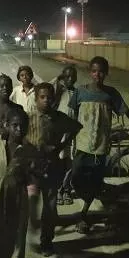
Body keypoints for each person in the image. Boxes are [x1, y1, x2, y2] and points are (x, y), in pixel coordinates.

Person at [69, 56, 129, 234]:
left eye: (101, 72)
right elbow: (72, 117)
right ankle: (105, 195)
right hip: (82, 145)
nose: (98, 75)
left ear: (106, 73)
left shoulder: (111, 94)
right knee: (76, 178)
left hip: (100, 147)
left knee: (94, 181)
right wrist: (68, 139)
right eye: (94, 71)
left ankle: (84, 215)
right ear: (90, 72)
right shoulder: (80, 92)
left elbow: (128, 112)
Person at [0, 107, 42, 258]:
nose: (19, 129)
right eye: (15, 125)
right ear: (6, 125)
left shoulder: (29, 150)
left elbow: (34, 176)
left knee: (16, 234)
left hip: (18, 197)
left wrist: (32, 174)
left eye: (23, 126)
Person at [26, 82, 82, 257]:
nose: (46, 101)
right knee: (30, 204)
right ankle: (27, 236)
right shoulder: (28, 118)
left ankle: (46, 242)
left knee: (50, 207)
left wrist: (61, 146)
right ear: (35, 99)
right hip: (32, 169)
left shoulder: (59, 118)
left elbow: (76, 127)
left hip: (52, 168)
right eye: (42, 97)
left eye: (49, 98)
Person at [49, 65, 78, 206]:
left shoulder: (77, 92)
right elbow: (48, 86)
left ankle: (66, 189)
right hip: (61, 134)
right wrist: (59, 77)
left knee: (71, 163)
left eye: (73, 76)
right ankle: (59, 190)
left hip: (73, 134)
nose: (70, 79)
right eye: (67, 76)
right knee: (60, 162)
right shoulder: (59, 91)